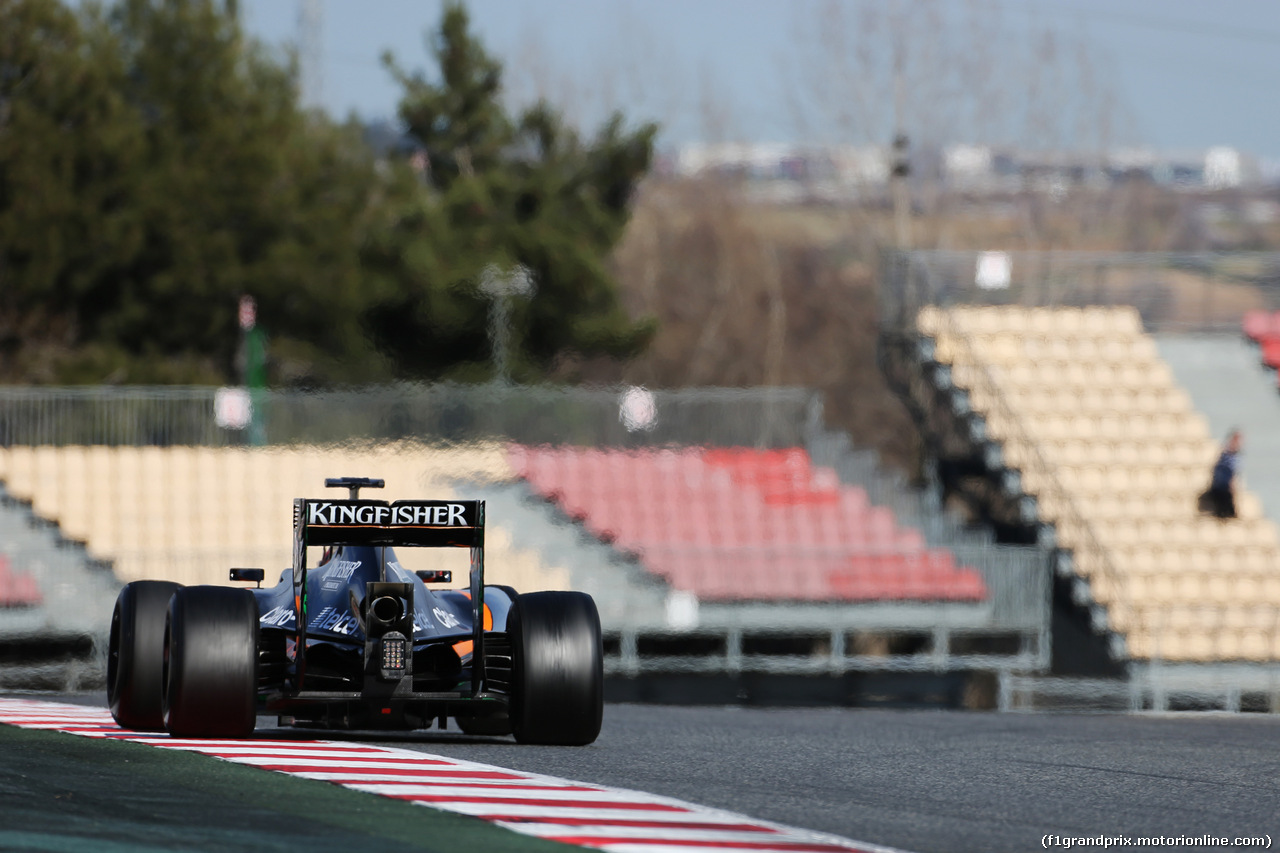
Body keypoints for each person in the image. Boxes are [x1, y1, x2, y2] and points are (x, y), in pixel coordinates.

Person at [1199, 430, 1241, 519]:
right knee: (1224, 512)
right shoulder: (1226, 455)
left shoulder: (1233, 455)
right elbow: (1226, 471)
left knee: (1229, 514)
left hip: (1223, 487)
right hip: (1221, 487)